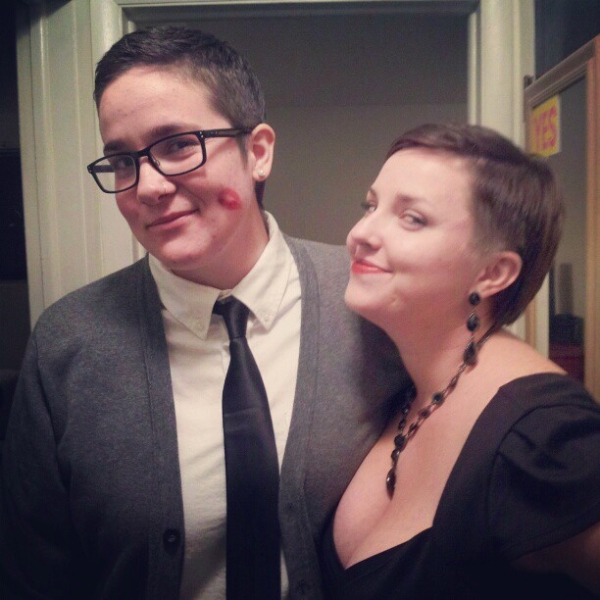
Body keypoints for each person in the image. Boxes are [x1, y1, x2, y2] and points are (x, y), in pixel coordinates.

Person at [0, 27, 406, 600]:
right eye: (122, 160)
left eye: (176, 145)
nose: (147, 186)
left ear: (257, 152)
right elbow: (32, 572)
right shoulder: (67, 343)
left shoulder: (371, 302)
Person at [320, 123, 600, 598]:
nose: (360, 234)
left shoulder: (543, 434)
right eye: (370, 206)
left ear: (493, 272)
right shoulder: (404, 386)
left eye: (412, 218)